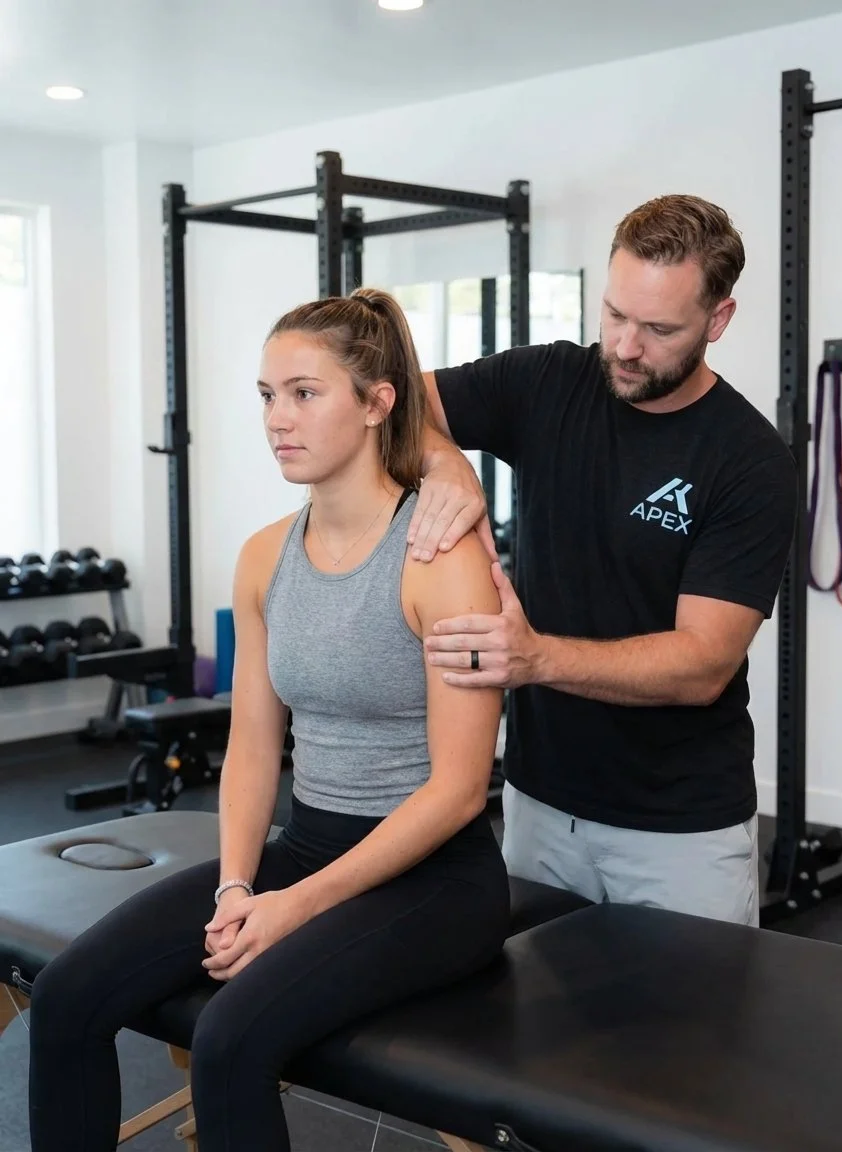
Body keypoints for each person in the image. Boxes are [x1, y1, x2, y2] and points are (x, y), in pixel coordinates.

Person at [27, 288, 510, 1152]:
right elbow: (252, 747)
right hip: (308, 845)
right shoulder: (263, 558)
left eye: (304, 392)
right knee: (66, 996)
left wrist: (296, 908)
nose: (277, 418)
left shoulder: (440, 562)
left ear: (376, 403)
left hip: (436, 881)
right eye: (266, 395)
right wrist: (238, 889)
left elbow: (459, 790)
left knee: (229, 1040)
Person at [406, 194, 798, 928]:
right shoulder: (547, 382)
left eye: (658, 328)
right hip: (539, 805)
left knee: (684, 1043)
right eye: (615, 314)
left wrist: (535, 660)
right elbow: (400, 406)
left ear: (718, 321)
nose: (624, 346)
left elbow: (701, 664)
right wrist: (448, 465)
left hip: (678, 832)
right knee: (529, 1036)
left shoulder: (749, 461)